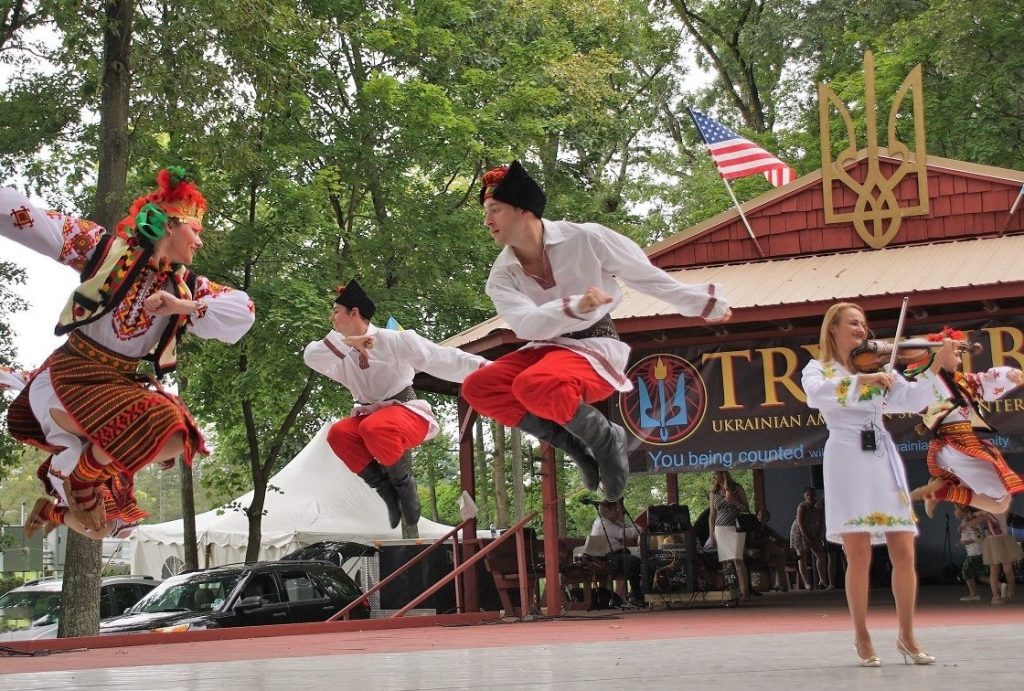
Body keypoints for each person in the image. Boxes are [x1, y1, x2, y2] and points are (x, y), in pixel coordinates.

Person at [1, 168, 255, 538]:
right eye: (195, 230)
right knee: (163, 418)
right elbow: (31, 219)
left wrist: (180, 308)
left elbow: (243, 311)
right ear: (170, 225)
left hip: (118, 388)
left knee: (113, 525)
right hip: (71, 378)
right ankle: (80, 477)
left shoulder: (185, 288)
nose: (200, 241)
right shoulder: (103, 250)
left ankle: (63, 500)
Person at [462, 160, 731, 501]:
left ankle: (607, 439)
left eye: (495, 210)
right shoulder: (502, 275)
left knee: (535, 384)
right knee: (479, 386)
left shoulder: (586, 237)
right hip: (546, 349)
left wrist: (702, 304)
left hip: (594, 345)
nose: (487, 221)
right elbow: (525, 324)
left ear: (523, 209)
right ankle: (575, 447)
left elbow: (643, 274)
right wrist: (573, 306)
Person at [801, 302, 957, 667]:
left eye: (863, 324)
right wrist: (863, 380)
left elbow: (915, 399)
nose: (861, 329)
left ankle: (907, 636)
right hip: (845, 454)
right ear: (833, 330)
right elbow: (816, 396)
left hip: (881, 454)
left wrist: (936, 365)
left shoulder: (879, 364)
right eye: (853, 323)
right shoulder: (817, 368)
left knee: (904, 549)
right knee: (858, 553)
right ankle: (862, 636)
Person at [303, 280, 488, 530]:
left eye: (336, 311)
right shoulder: (339, 355)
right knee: (338, 434)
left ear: (354, 313)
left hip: (407, 413)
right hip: (369, 417)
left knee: (374, 428)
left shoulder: (393, 340)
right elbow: (310, 357)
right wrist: (348, 343)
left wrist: (487, 368)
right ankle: (387, 494)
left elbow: (441, 357)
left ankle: (405, 487)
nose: (331, 318)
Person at [903, 326, 1024, 517]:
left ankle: (944, 486)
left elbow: (985, 381)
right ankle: (943, 491)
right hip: (955, 447)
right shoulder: (929, 382)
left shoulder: (962, 381)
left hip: (959, 446)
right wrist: (937, 354)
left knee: (1002, 502)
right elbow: (922, 377)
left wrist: (1008, 376)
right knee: (1000, 501)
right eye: (955, 353)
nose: (959, 357)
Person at [589, 499, 644, 606]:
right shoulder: (602, 523)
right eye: (616, 509)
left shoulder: (613, 522)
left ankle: (639, 594)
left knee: (642, 560)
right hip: (607, 558)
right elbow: (623, 533)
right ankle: (636, 596)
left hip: (618, 555)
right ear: (606, 512)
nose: (619, 512)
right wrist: (641, 530)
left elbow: (633, 528)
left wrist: (640, 530)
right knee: (634, 562)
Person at [707, 470, 751, 601]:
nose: (714, 476)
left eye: (717, 473)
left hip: (735, 527)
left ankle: (745, 593)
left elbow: (746, 508)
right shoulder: (713, 493)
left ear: (724, 474)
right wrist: (711, 534)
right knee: (725, 562)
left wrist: (733, 501)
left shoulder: (736, 488)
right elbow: (712, 514)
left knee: (737, 560)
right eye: (713, 475)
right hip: (720, 528)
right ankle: (730, 591)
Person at [979, 509, 1022, 605]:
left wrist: (967, 524)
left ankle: (1007, 592)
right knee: (997, 570)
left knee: (1005, 570)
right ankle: (997, 595)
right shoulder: (993, 508)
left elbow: (982, 518)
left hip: (1001, 541)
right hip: (995, 541)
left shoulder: (997, 508)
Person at [789, 487, 827, 590]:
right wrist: (808, 538)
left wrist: (818, 535)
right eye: (808, 495)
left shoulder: (818, 506)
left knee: (820, 555)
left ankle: (822, 580)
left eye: (812, 495)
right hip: (800, 532)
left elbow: (821, 522)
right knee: (802, 556)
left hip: (813, 530)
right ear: (805, 496)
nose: (810, 497)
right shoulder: (802, 506)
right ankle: (806, 583)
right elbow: (800, 524)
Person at [954, 505, 987, 602]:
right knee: (980, 576)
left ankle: (974, 594)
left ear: (965, 511)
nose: (954, 512)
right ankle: (1001, 586)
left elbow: (978, 537)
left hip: (975, 552)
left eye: (956, 509)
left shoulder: (969, 522)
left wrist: (964, 542)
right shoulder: (966, 522)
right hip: (975, 552)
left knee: (966, 571)